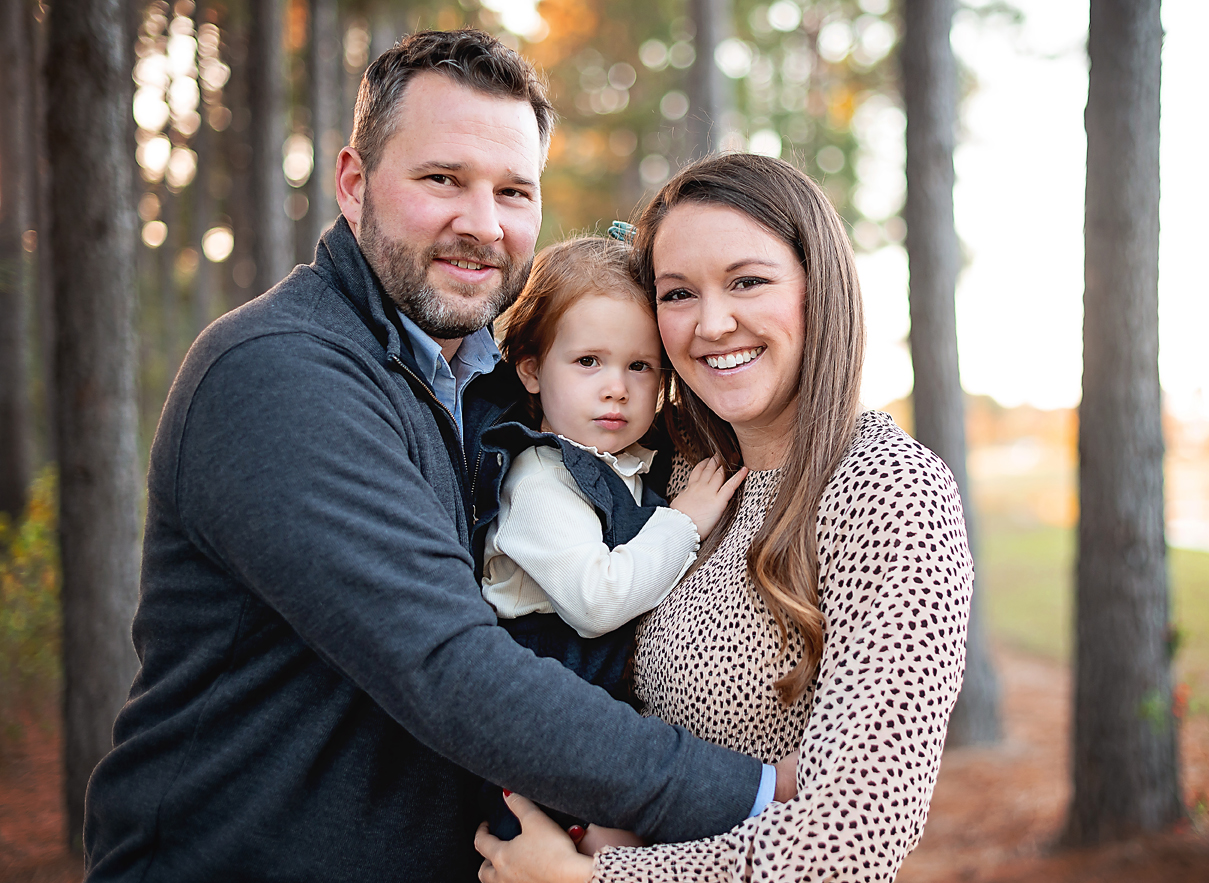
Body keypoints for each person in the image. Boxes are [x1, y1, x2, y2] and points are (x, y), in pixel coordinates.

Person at [82, 31, 786, 883]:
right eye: (442, 179)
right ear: (353, 184)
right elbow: (451, 669)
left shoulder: (493, 389)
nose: (482, 224)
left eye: (513, 191)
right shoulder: (279, 373)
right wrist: (746, 791)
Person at [475, 153, 975, 883]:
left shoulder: (889, 492)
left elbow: (851, 841)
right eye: (678, 293)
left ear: (817, 287)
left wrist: (590, 880)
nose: (712, 323)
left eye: (747, 281)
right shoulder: (663, 464)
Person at [474, 236, 746, 839]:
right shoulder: (539, 477)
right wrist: (683, 523)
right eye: (588, 362)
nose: (617, 387)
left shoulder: (626, 461)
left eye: (640, 365)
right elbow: (597, 603)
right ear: (532, 371)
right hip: (547, 732)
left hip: (599, 725)